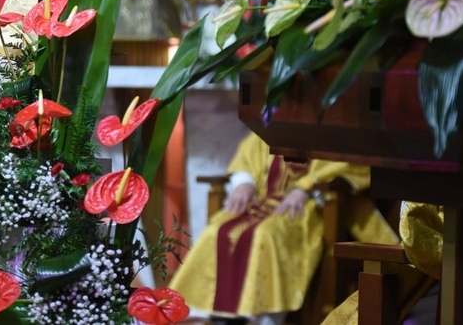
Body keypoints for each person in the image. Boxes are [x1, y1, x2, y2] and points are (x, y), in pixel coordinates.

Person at [169, 132, 400, 325]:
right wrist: (244, 183)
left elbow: (348, 164)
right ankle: (211, 314)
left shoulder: (333, 126)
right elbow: (249, 155)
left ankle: (265, 318)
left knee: (265, 234)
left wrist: (306, 189)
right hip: (260, 199)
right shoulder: (278, 122)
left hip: (305, 207)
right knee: (218, 230)